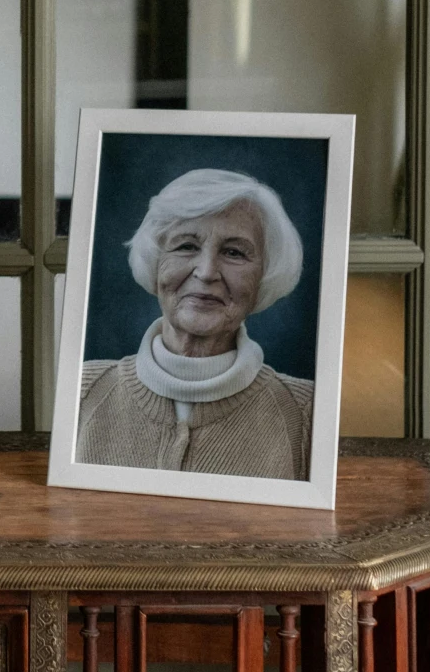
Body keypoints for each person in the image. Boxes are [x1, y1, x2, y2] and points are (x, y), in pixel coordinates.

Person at [75, 167, 316, 479]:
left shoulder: (306, 412)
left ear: (265, 276)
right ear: (155, 261)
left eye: (234, 252)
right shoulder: (81, 391)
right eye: (186, 246)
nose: (206, 272)